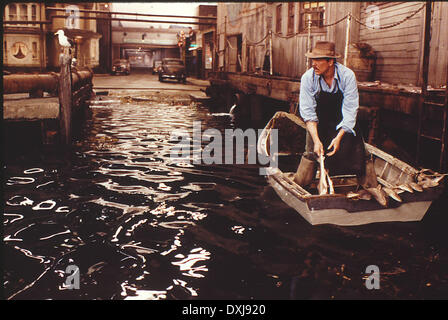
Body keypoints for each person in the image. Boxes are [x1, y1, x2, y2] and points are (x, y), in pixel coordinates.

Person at [294, 41, 376, 188]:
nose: (314, 64)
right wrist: (317, 140)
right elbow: (308, 113)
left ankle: (370, 187)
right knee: (311, 153)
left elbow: (351, 110)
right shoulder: (308, 78)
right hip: (319, 120)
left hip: (342, 119)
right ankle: (301, 187)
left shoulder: (347, 76)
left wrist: (338, 138)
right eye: (313, 59)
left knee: (360, 153)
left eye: (318, 60)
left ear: (330, 62)